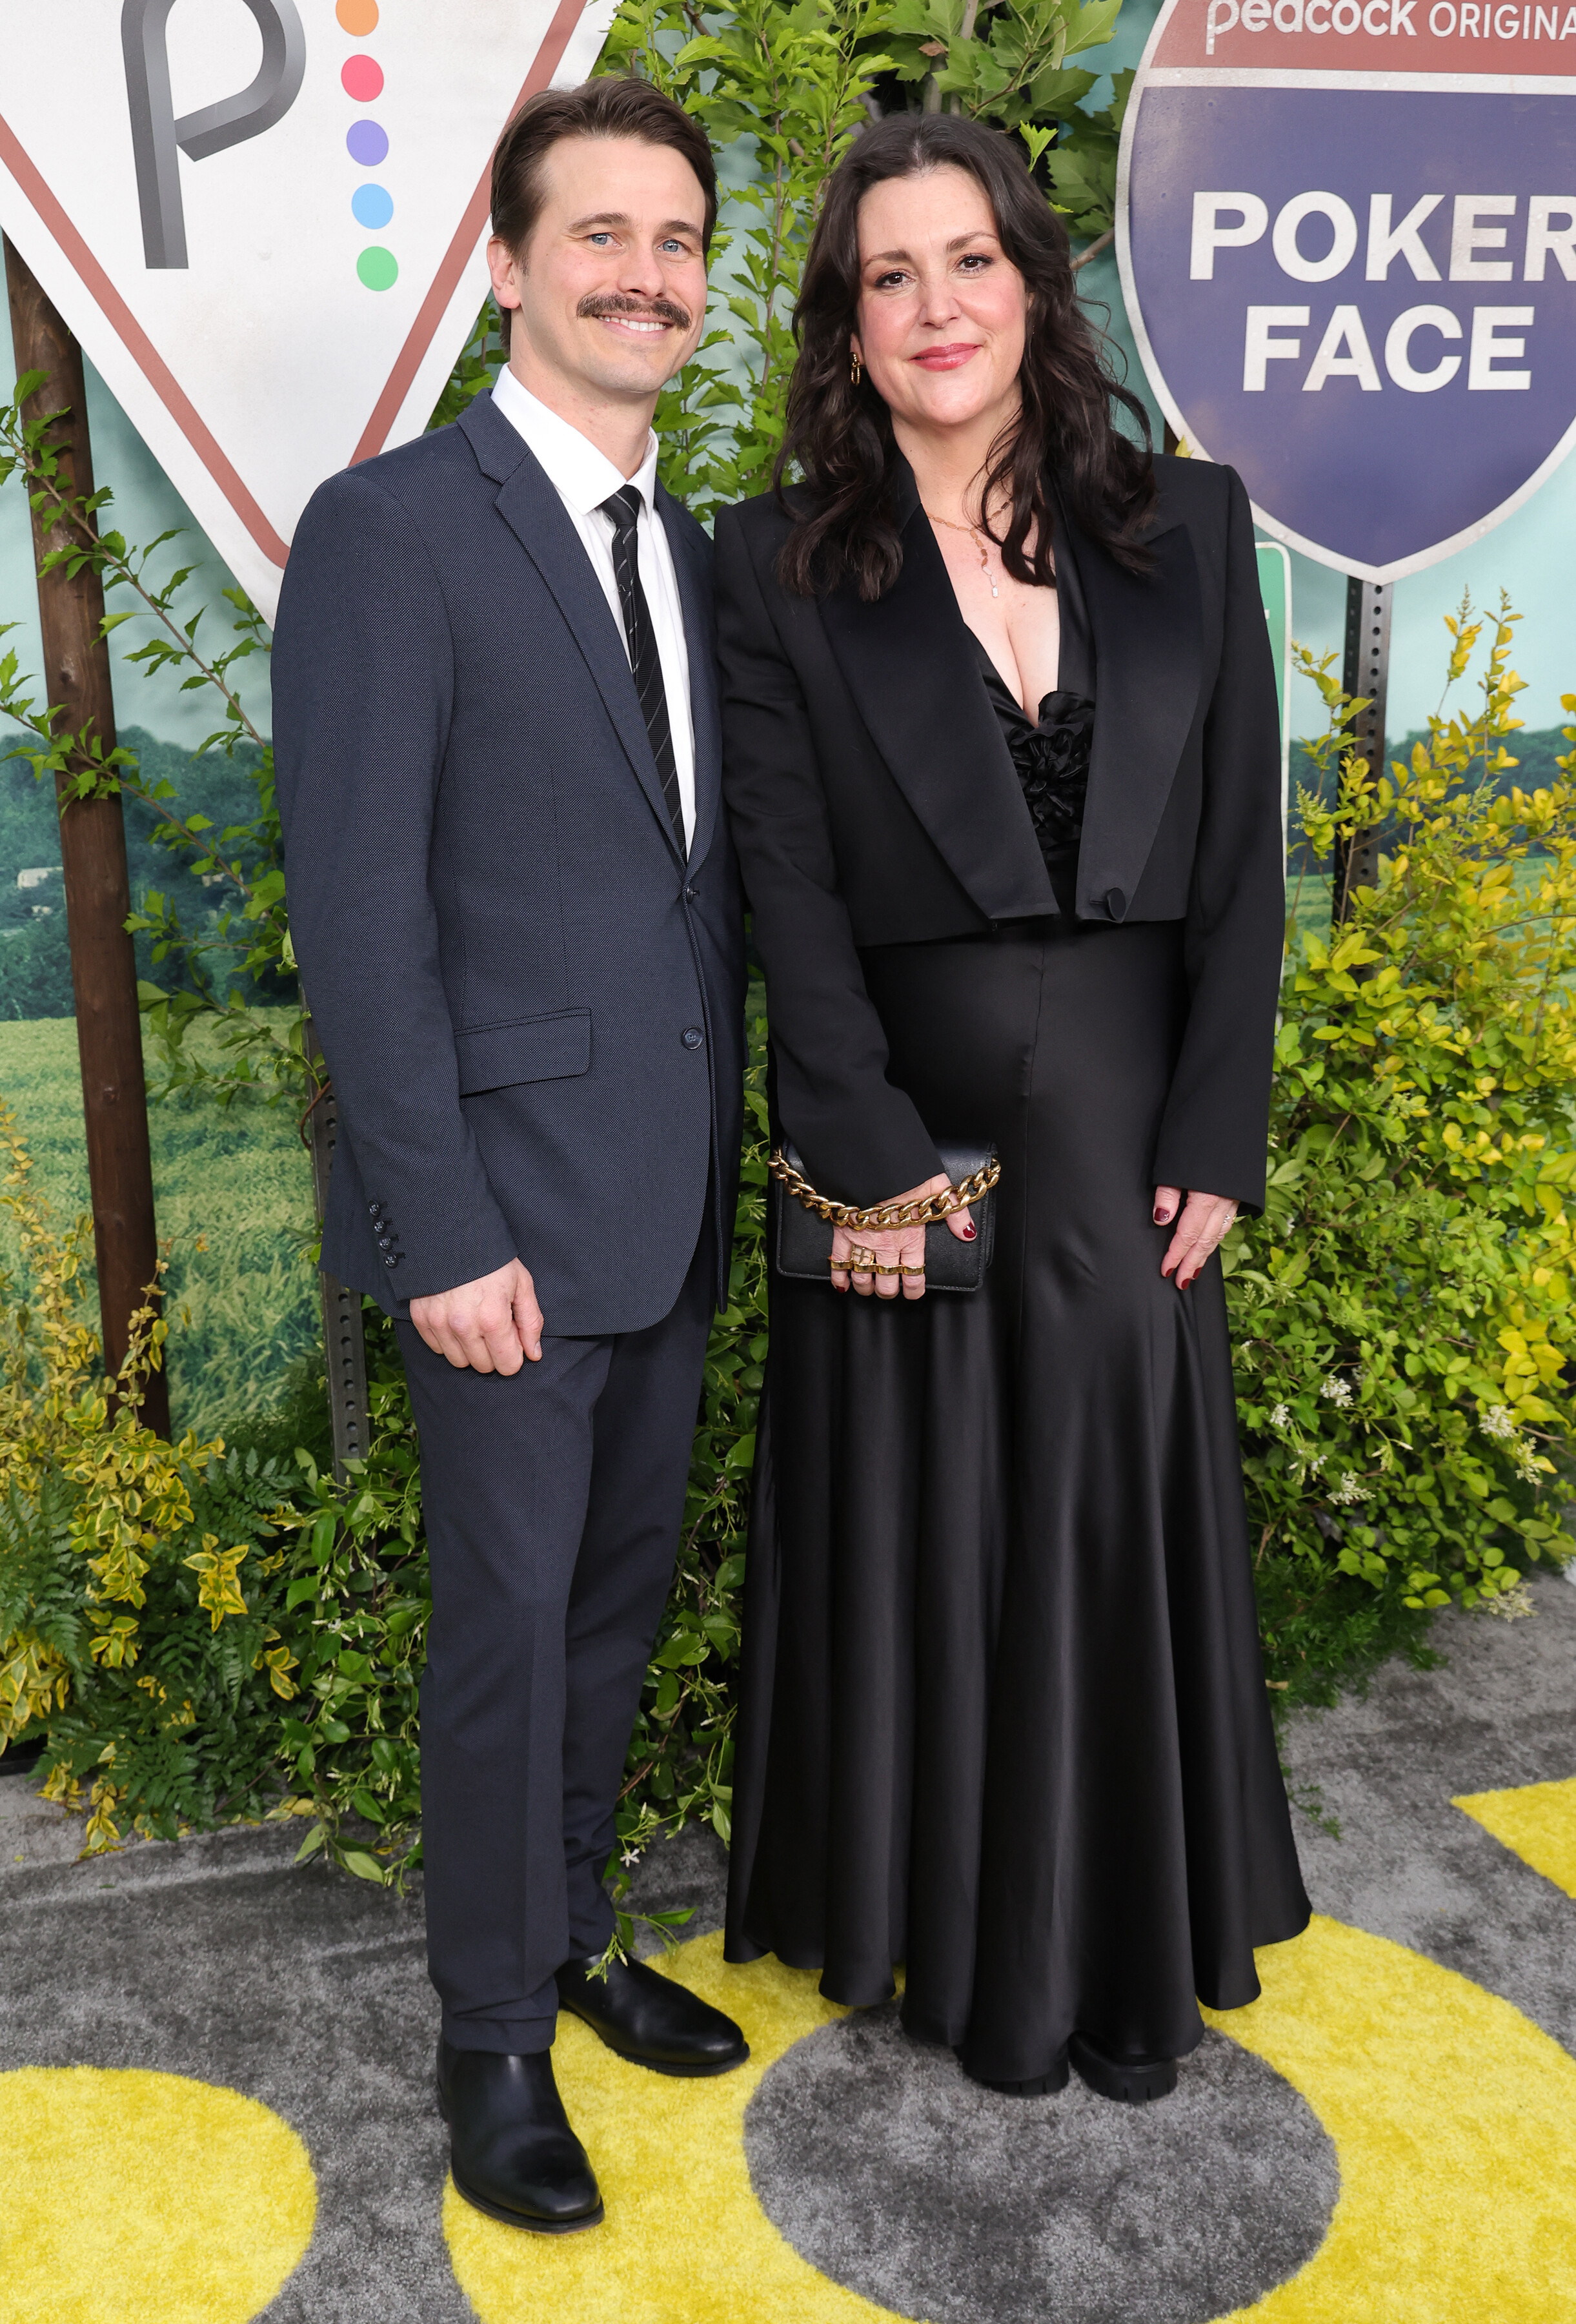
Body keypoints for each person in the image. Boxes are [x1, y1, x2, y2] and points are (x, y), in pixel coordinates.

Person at [716, 111, 1309, 2105]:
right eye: (887, 276)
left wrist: (1214, 1132)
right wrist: (869, 1154)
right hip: (909, 1143)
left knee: (1099, 1524)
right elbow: (784, 888)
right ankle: (959, 1949)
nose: (934, 306)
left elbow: (1238, 860)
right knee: (935, 1545)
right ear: (846, 326)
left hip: (1130, 1136)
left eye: (966, 259)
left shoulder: (1188, 522)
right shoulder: (775, 563)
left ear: (1034, 285)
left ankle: (1117, 1957)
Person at [273, 77, 749, 2234]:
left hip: (665, 1202)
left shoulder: (697, 553)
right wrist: (438, 1229)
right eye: (601, 235)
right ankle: (487, 2039)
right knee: (504, 1635)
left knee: (612, 1615)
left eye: (678, 240)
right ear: (506, 266)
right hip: (502, 1233)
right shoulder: (393, 531)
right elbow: (359, 919)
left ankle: (568, 1938)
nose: (645, 275)